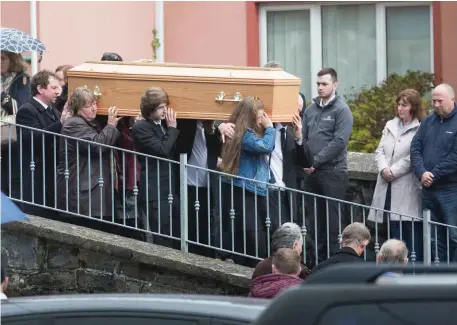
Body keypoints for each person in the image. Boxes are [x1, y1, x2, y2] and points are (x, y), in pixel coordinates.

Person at [302, 68, 354, 262]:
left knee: (334, 224)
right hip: (312, 173)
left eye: (324, 84)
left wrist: (315, 161)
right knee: (314, 222)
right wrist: (306, 161)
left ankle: (334, 264)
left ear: (335, 85)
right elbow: (305, 138)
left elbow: (340, 141)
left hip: (333, 173)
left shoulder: (342, 109)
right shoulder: (311, 109)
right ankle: (317, 262)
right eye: (318, 84)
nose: (320, 87)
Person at [368, 89, 424, 262]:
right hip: (387, 186)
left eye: (404, 105)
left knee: (410, 231)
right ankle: (395, 269)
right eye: (399, 104)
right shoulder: (390, 125)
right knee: (393, 230)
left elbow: (414, 155)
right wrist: (384, 168)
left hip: (407, 186)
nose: (400, 108)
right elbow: (380, 151)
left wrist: (394, 171)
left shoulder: (420, 128)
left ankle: (413, 272)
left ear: (413, 107)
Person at [219, 96, 276, 266]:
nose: (261, 121)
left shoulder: (245, 131)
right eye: (258, 117)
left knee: (254, 228)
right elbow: (265, 147)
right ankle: (254, 264)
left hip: (250, 186)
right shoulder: (243, 134)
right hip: (244, 186)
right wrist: (270, 128)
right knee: (251, 230)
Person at [56, 87, 122, 229]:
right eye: (88, 106)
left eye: (94, 104)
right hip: (82, 195)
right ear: (78, 108)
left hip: (90, 192)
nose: (94, 108)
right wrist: (110, 126)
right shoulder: (74, 124)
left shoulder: (89, 122)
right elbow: (97, 145)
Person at [411, 83, 457, 263]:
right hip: (428, 190)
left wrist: (434, 174)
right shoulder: (428, 122)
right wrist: (422, 173)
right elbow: (415, 148)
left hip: (450, 190)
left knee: (454, 235)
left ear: (452, 99)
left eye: (440, 101)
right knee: (433, 237)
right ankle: (438, 275)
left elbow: (455, 157)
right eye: (433, 101)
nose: (436, 105)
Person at [132, 87, 181, 249]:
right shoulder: (141, 127)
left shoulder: (162, 125)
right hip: (155, 191)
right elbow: (162, 149)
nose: (164, 110)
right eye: (160, 107)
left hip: (169, 189)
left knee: (175, 234)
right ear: (150, 108)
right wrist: (173, 127)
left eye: (165, 106)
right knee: (162, 236)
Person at [15, 70, 67, 217]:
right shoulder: (27, 110)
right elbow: (34, 138)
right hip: (36, 173)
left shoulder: (54, 112)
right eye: (54, 88)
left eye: (59, 87)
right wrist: (61, 123)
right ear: (40, 89)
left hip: (51, 172)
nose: (58, 92)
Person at [1, 51, 31, 198]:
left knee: (10, 177)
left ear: (13, 60)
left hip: (11, 137)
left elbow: (20, 108)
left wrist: (2, 95)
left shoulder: (22, 79)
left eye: (3, 58)